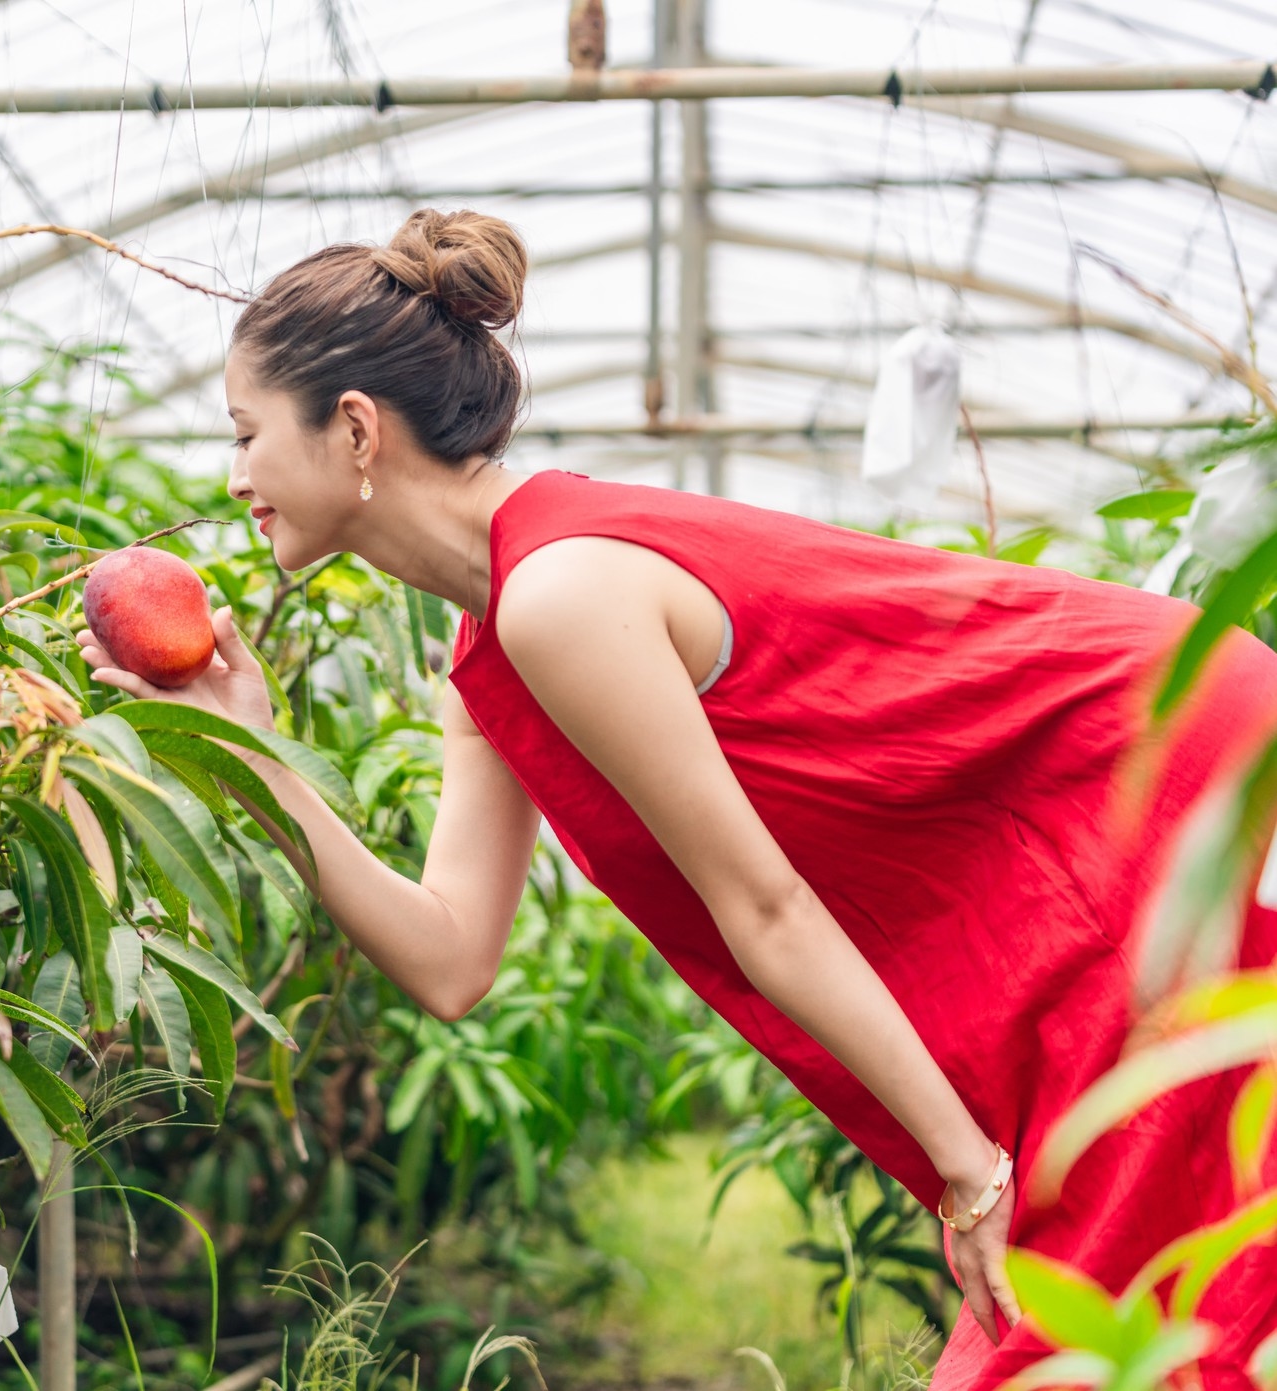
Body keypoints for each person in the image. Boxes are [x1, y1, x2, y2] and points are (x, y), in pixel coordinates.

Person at [79, 209, 1277, 1390]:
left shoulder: (560, 592)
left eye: (245, 434)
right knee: (1149, 1290)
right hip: (1094, 819)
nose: (233, 477)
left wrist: (968, 1171)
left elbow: (765, 910)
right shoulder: (494, 641)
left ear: (352, 428)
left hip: (1150, 776)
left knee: (1108, 1291)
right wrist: (252, 752)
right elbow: (449, 961)